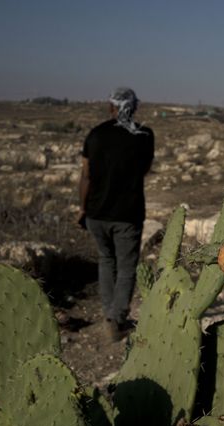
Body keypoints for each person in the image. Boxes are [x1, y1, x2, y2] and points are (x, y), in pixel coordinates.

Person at [78, 87, 154, 342]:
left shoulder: (95, 135)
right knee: (126, 267)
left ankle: (109, 314)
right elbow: (144, 169)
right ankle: (116, 318)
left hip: (96, 213)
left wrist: (82, 207)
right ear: (134, 108)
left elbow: (85, 176)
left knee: (106, 260)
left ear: (111, 107)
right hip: (127, 214)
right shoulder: (144, 135)